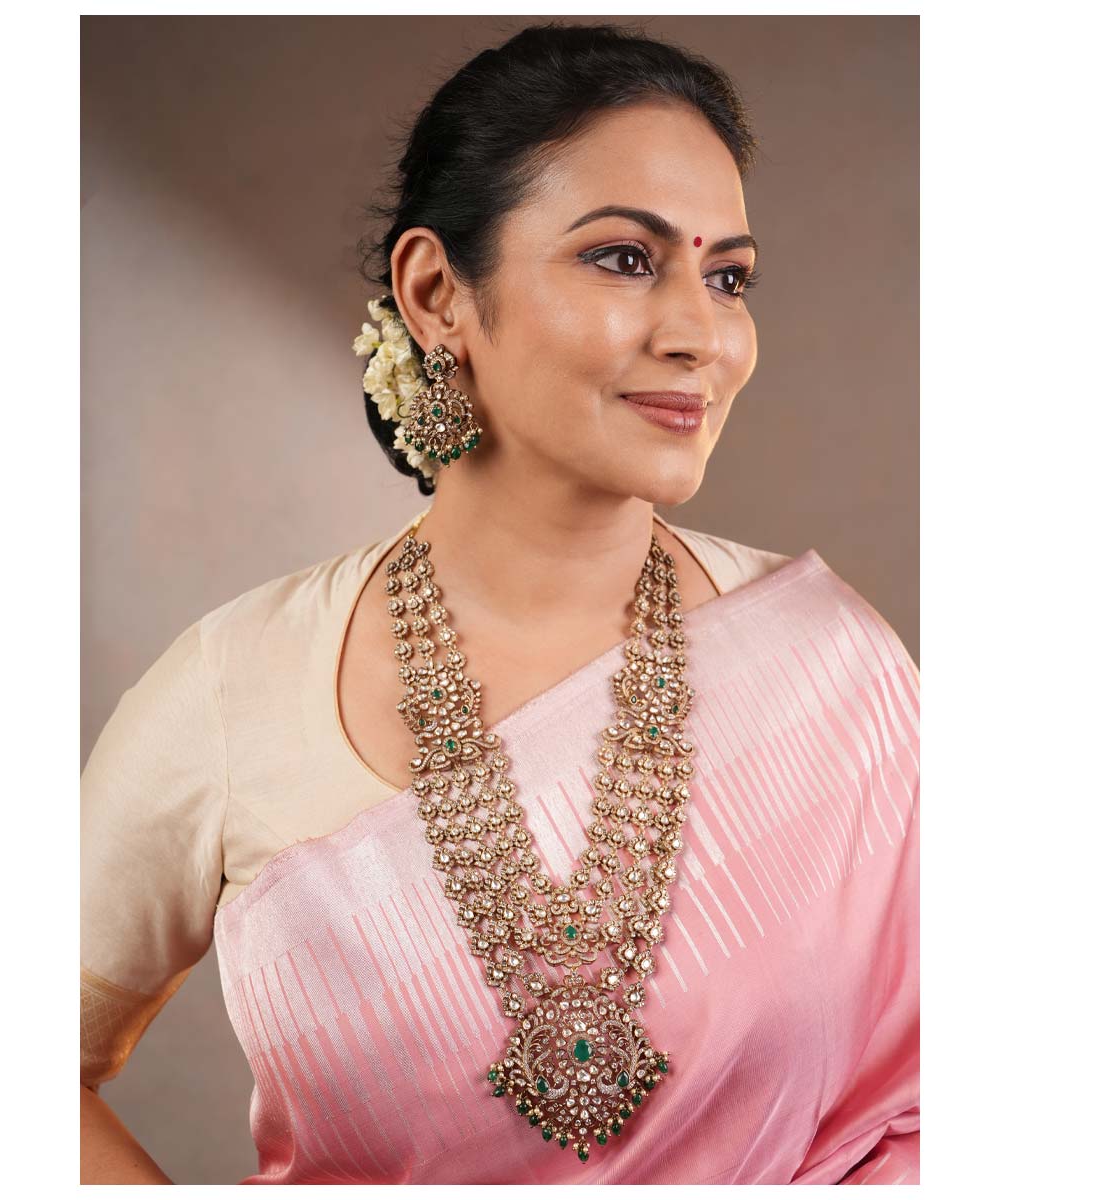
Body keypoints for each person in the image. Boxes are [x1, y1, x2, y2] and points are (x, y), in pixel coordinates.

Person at [81, 21, 919, 1185]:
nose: (701, 335)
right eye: (624, 258)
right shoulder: (240, 691)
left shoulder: (832, 668)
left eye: (728, 277)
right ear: (437, 294)